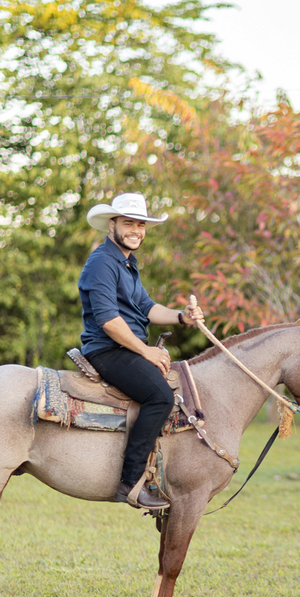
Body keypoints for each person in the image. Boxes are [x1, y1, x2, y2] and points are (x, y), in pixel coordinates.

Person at [79, 193, 203, 511]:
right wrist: (146, 351)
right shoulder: (102, 262)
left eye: (141, 224)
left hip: (126, 348)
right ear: (112, 224)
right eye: (129, 223)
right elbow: (108, 320)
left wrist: (182, 317)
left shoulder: (126, 263)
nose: (136, 230)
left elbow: (147, 308)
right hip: (109, 350)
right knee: (160, 396)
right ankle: (129, 483)